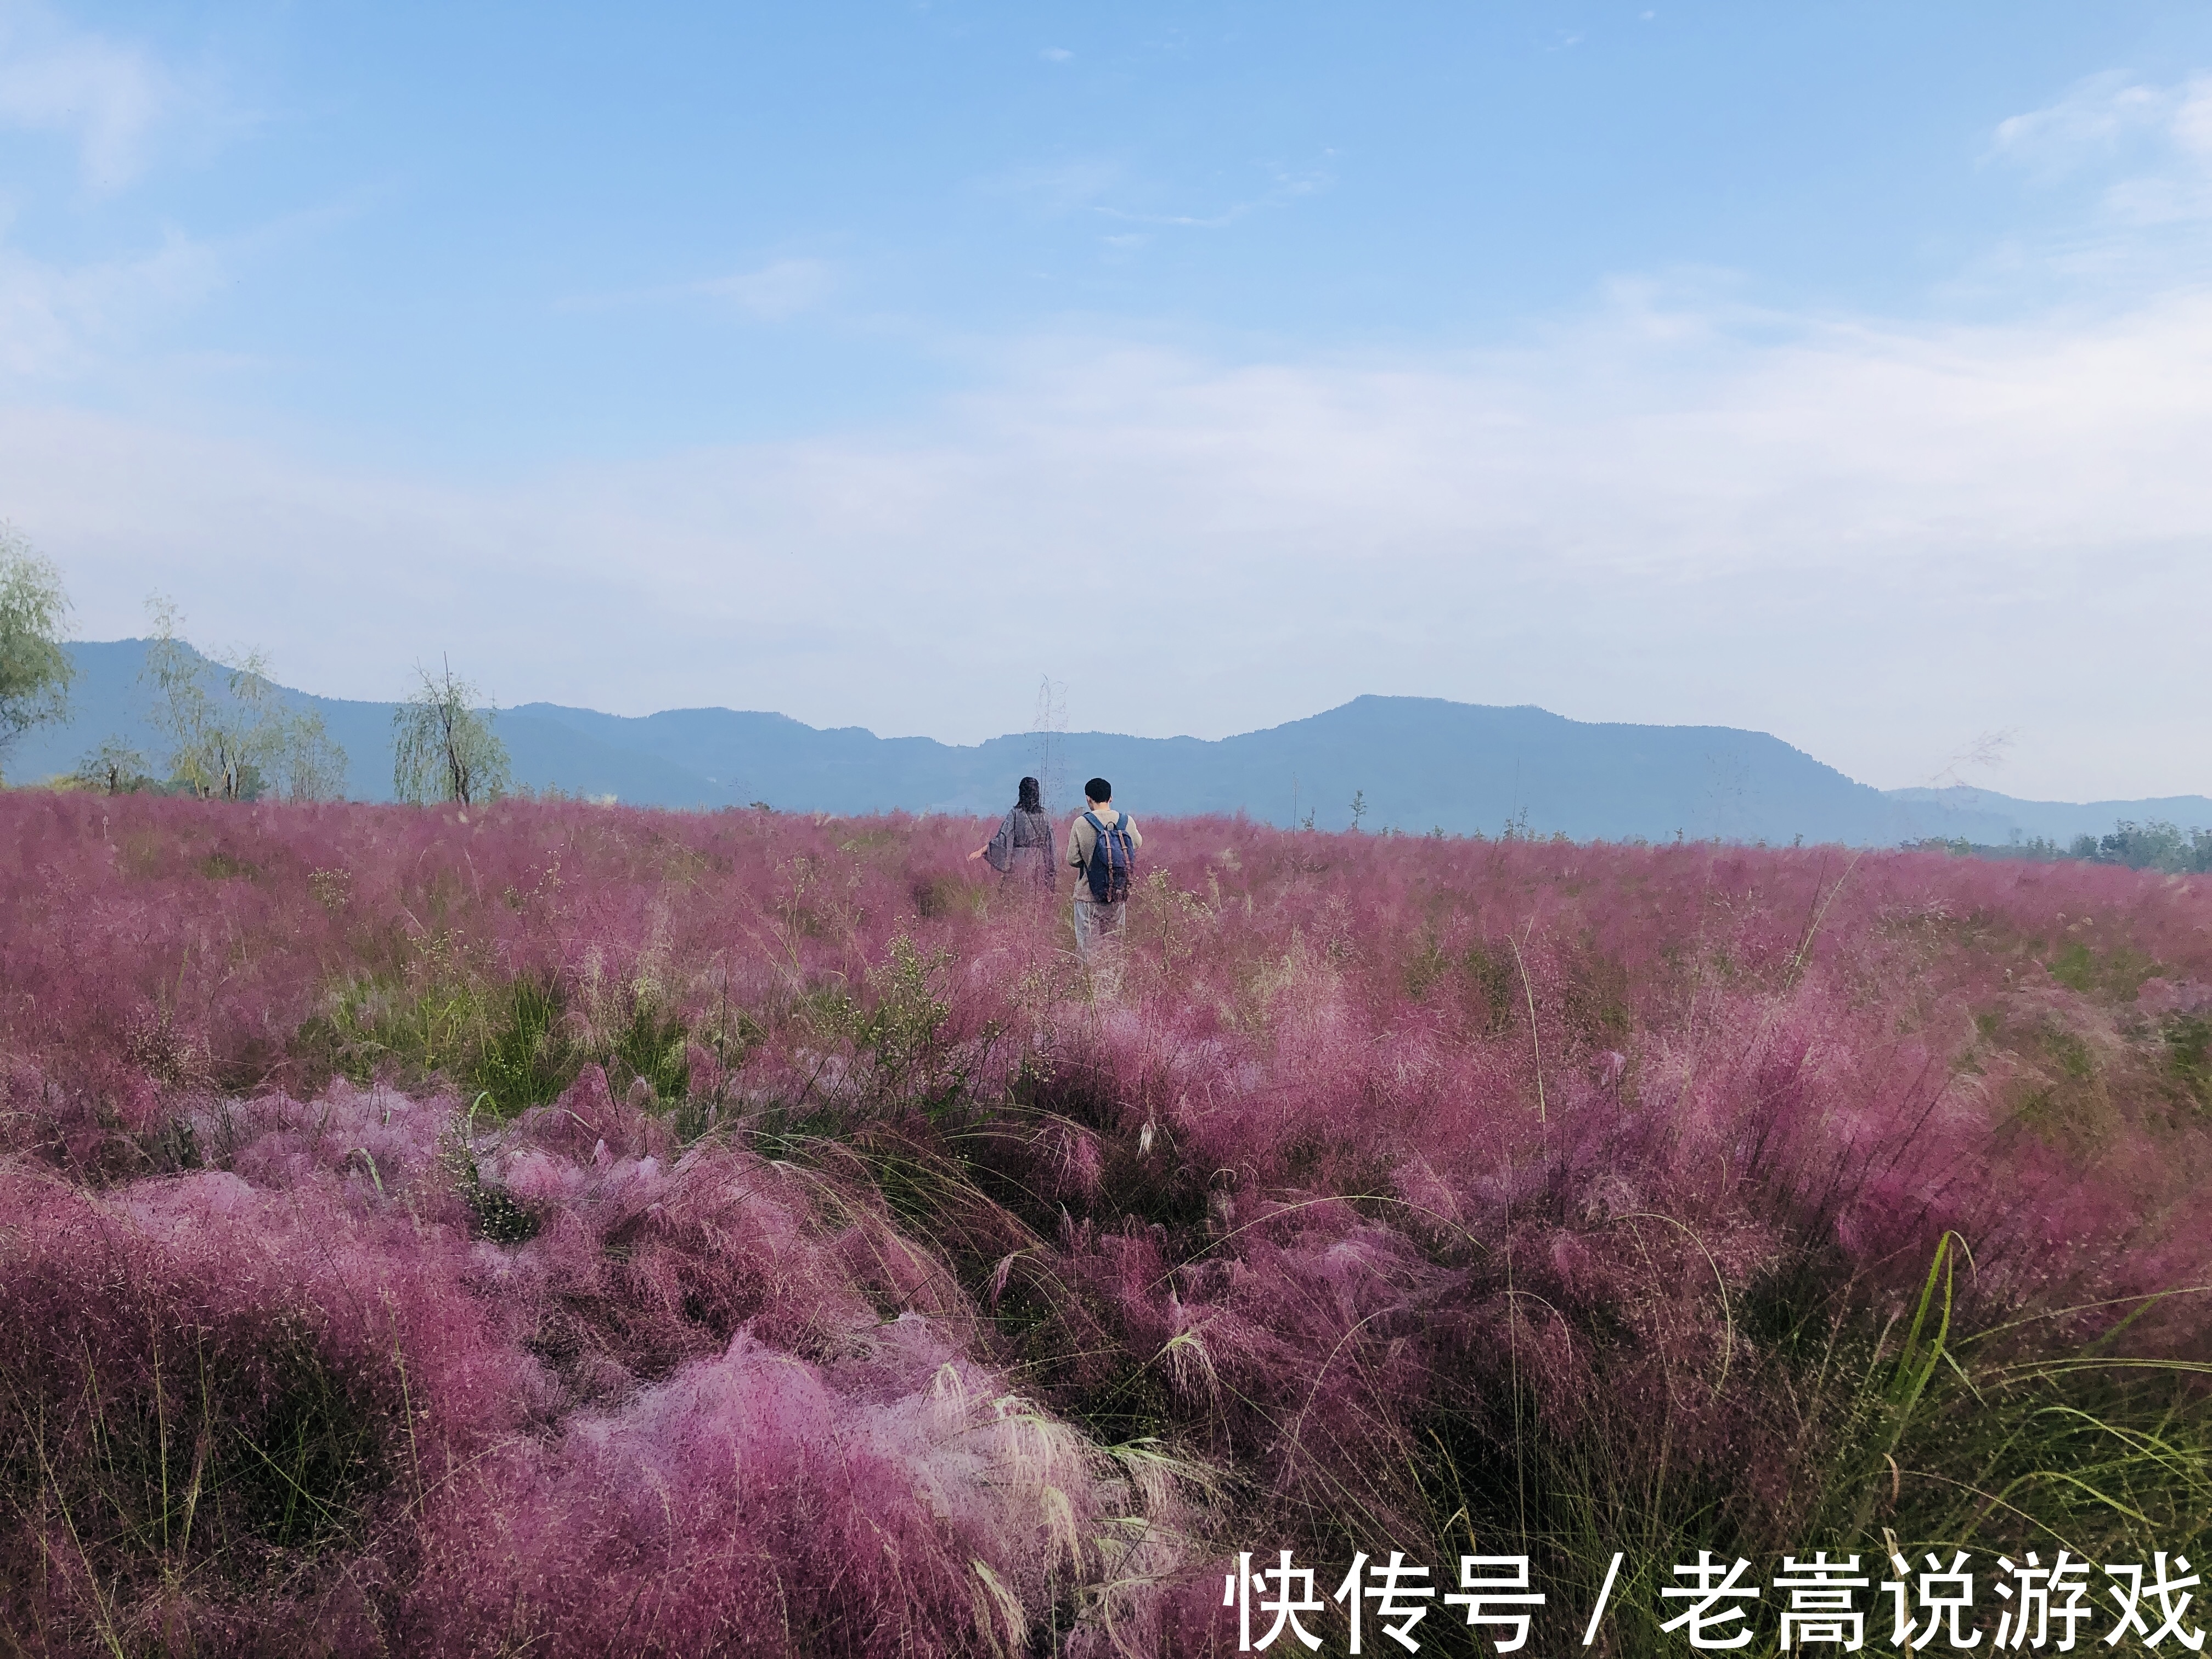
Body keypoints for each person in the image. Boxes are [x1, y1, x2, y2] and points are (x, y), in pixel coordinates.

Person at [1066, 776, 1141, 957]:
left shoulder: (1081, 823)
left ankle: (1091, 982)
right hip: (1117, 893)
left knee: (1089, 949)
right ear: (1111, 798)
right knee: (1114, 947)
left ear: (1088, 799)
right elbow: (1136, 844)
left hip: (1087, 895)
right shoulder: (1126, 821)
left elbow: (1073, 859)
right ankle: (1112, 983)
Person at [969, 776, 1056, 889]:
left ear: (1021, 793)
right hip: (1039, 863)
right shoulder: (1044, 815)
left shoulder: (1015, 813)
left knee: (1015, 896)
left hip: (1019, 862)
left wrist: (981, 851)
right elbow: (1051, 845)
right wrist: (1051, 870)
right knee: (1037, 897)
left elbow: (1002, 839)